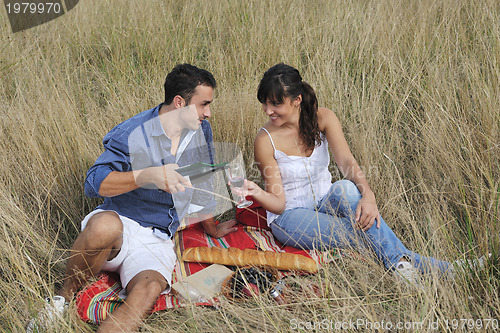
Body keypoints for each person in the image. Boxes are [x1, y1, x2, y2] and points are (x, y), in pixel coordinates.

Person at [27, 64, 237, 333]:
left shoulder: (200, 129)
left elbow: (201, 179)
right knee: (103, 225)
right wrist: (147, 175)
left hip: (159, 238)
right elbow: (93, 183)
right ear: (179, 102)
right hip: (120, 227)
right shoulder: (132, 133)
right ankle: (61, 301)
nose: (208, 113)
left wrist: (212, 227)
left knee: (147, 292)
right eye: (203, 104)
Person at [241, 63, 485, 284]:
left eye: (276, 103)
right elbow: (279, 204)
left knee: (347, 188)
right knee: (362, 233)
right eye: (265, 103)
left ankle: (405, 267)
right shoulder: (265, 140)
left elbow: (346, 161)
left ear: (297, 99)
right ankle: (443, 269)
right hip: (290, 217)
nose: (267, 110)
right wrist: (257, 192)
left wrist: (368, 195)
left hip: (326, 201)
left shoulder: (323, 118)